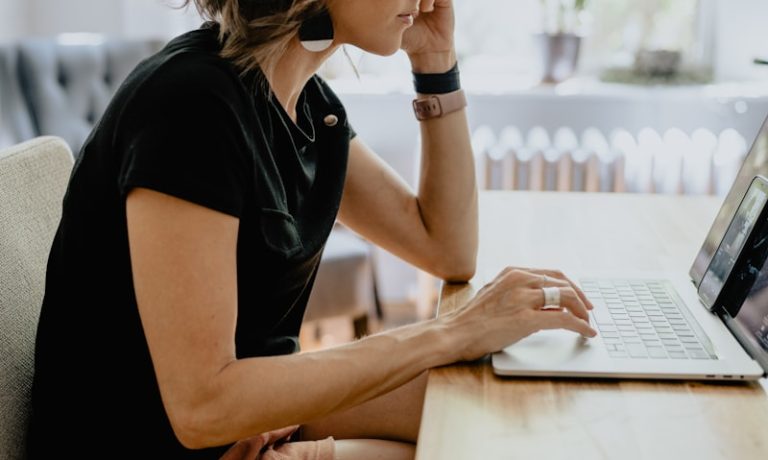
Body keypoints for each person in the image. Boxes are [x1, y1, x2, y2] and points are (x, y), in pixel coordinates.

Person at [27, 1, 596, 459]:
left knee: (497, 404)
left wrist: (436, 63)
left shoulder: (308, 107)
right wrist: (446, 335)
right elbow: (202, 407)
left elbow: (445, 247)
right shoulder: (190, 109)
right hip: (171, 437)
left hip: (251, 419)